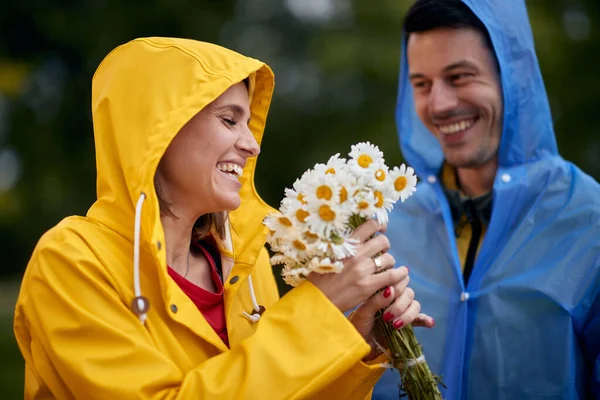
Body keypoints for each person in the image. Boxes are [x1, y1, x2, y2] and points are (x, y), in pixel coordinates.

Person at [13, 37, 434, 399]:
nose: (252, 145)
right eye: (229, 120)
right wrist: (319, 311)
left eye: (249, 123)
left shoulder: (244, 266)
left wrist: (353, 340)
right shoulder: (71, 262)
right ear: (158, 128)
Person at [373, 0, 600, 399]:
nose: (439, 104)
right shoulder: (388, 229)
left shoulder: (591, 222)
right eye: (422, 84)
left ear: (515, 78)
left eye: (459, 77)